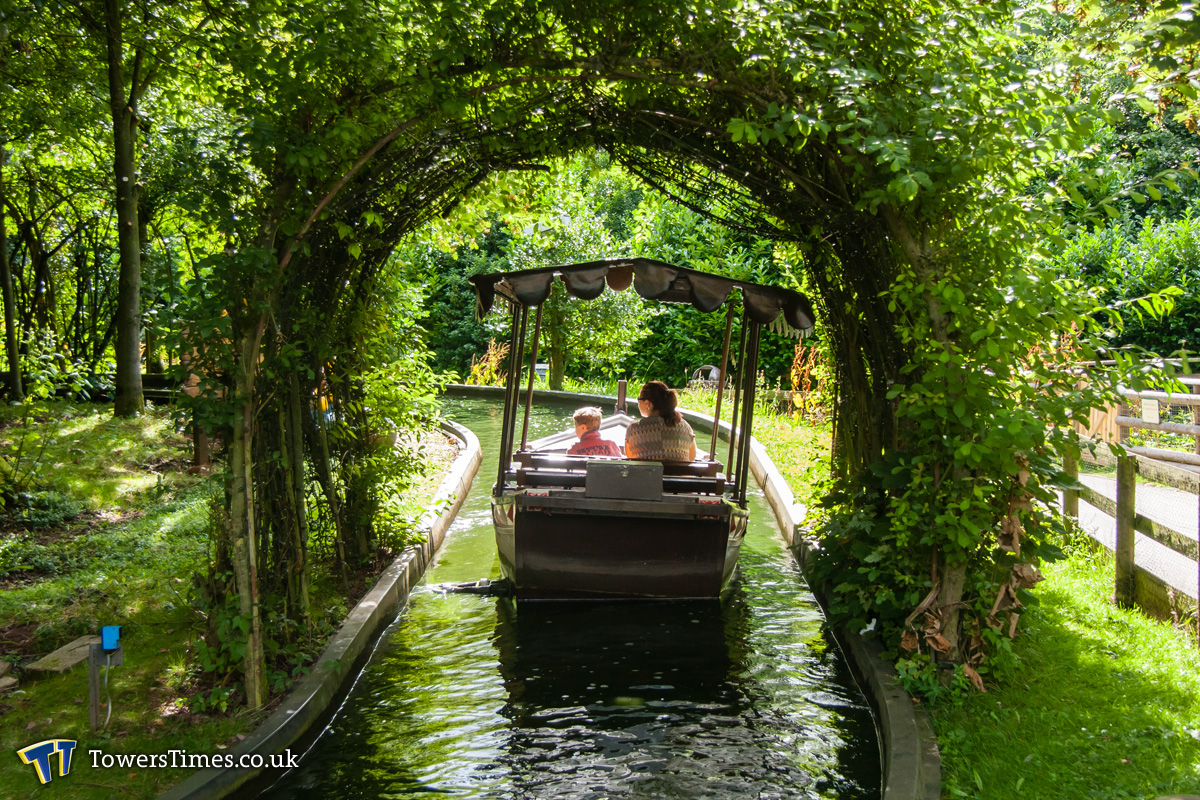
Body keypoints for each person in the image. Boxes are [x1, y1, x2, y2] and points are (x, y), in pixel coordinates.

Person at [624, 381, 697, 461]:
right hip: (676, 473)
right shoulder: (685, 428)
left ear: (647, 403)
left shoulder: (634, 430)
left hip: (648, 473)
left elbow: (630, 458)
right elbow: (691, 458)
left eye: (639, 400)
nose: (638, 404)